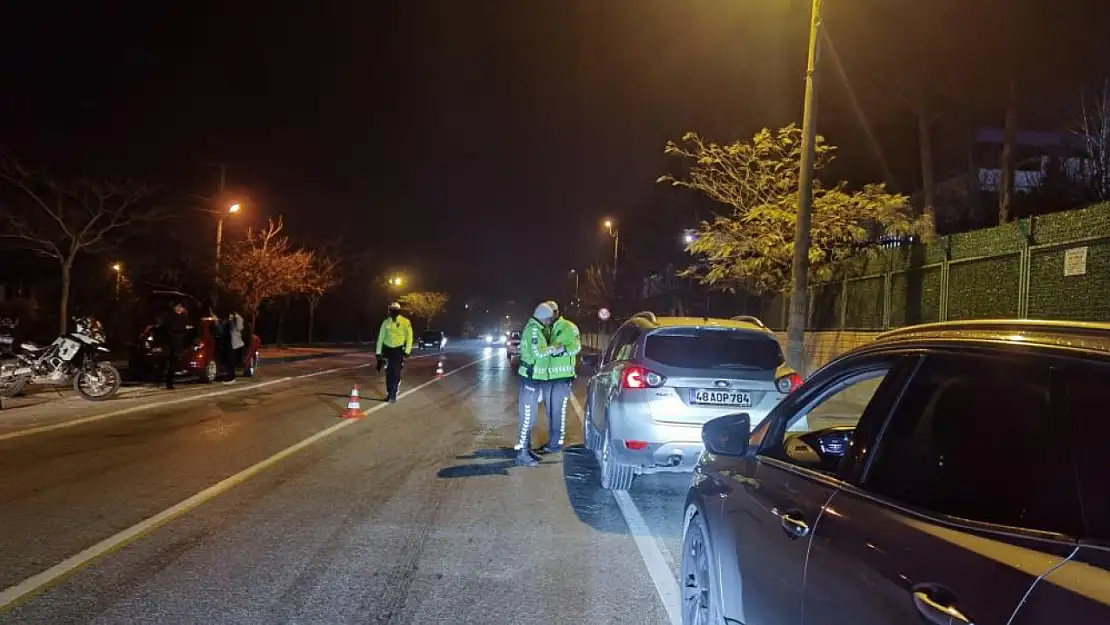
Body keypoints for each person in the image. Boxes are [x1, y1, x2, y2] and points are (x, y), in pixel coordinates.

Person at [514, 301, 558, 467]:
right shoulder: (533, 330)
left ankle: (527, 449)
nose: (549, 322)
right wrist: (554, 348)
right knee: (527, 418)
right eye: (548, 319)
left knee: (531, 417)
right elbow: (537, 352)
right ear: (542, 317)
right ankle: (522, 453)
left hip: (535, 378)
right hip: (530, 379)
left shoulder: (537, 329)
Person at [541, 300, 580, 454]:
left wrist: (562, 349)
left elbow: (576, 347)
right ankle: (552, 441)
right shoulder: (546, 328)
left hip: (562, 376)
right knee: (550, 411)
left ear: (556, 313)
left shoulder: (568, 327)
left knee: (557, 411)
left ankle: (556, 443)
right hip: (547, 377)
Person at [376, 302, 413, 403]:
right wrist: (378, 353)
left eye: (394, 310)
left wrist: (407, 351)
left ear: (398, 311)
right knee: (388, 373)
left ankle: (393, 393)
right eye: (391, 310)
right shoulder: (386, 322)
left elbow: (409, 337)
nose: (392, 312)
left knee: (395, 372)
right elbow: (380, 338)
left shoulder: (405, 322)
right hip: (387, 350)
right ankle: (389, 393)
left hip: (398, 350)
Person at [162, 301, 188, 390]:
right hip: (171, 342)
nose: (180, 309)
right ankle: (167, 381)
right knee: (169, 362)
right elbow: (167, 328)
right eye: (178, 307)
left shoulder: (183, 317)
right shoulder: (170, 317)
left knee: (173, 362)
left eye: (181, 307)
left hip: (177, 343)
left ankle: (169, 381)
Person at [223, 309, 245, 383]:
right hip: (231, 343)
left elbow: (239, 328)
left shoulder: (239, 318)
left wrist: (234, 319)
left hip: (235, 344)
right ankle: (230, 377)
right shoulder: (231, 319)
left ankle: (232, 378)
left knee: (231, 361)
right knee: (229, 361)